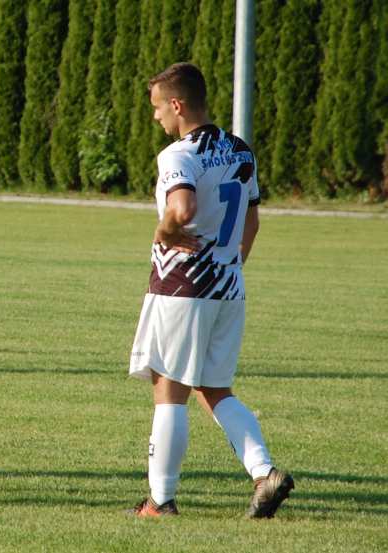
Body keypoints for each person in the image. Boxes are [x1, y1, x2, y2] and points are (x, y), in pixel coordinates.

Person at [127, 62, 294, 518]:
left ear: (178, 105)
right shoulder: (240, 150)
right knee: (215, 388)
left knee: (169, 389)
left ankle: (159, 502)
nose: (157, 117)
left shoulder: (177, 156)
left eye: (159, 108)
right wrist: (230, 265)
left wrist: (164, 227)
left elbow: (182, 207)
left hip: (182, 287)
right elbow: (253, 221)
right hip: (228, 286)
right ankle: (264, 473)